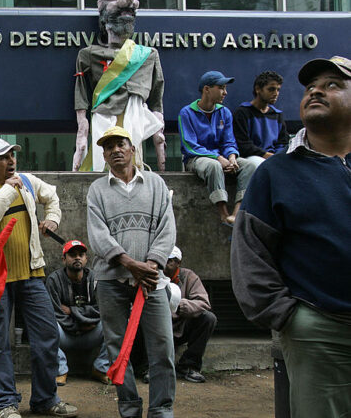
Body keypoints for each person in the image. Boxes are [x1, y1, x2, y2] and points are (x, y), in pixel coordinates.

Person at [231, 55, 351, 418]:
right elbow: (249, 253)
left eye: (333, 84)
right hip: (319, 333)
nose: (316, 90)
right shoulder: (275, 173)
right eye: (311, 87)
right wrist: (289, 318)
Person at [0, 138, 77, 418]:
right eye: (3, 158)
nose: (11, 162)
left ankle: (44, 399)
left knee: (47, 336)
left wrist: (52, 217)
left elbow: (51, 195)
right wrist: (5, 192)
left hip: (32, 273)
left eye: (12, 156)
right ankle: (6, 402)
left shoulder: (27, 181)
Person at [86, 126, 176, 418]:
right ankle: (128, 407)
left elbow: (167, 228)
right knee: (117, 347)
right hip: (111, 281)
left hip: (153, 281)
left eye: (120, 144)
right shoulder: (97, 189)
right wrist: (129, 264)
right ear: (103, 154)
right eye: (109, 146)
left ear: (133, 148)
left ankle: (161, 409)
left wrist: (151, 265)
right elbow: (98, 236)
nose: (115, 150)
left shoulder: (156, 184)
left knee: (162, 348)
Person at [73, 0, 165, 172]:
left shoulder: (148, 55)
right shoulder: (88, 54)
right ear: (101, 6)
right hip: (103, 119)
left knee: (133, 171)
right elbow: (81, 93)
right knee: (102, 168)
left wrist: (159, 138)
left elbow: (156, 99)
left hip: (136, 120)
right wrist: (82, 130)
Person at [178, 70, 255, 225]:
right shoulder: (186, 113)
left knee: (250, 166)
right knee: (213, 166)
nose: (225, 92)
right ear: (207, 89)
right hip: (196, 159)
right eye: (221, 88)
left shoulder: (224, 113)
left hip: (223, 158)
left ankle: (237, 211)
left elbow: (229, 141)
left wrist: (232, 157)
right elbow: (190, 146)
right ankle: (223, 213)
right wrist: (218, 158)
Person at [45, 240, 111, 387]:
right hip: (65, 334)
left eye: (81, 255)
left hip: (91, 333)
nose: (77, 258)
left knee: (116, 322)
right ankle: (61, 370)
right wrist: (80, 324)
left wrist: (72, 311)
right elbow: (55, 313)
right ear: (64, 259)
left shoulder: (96, 279)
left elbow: (100, 310)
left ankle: (101, 368)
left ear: (86, 259)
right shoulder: (54, 280)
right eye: (72, 255)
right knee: (44, 325)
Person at [164, 246, 216, 383]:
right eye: (162, 259)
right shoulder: (154, 275)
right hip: (158, 328)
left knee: (208, 318)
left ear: (178, 263)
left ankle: (188, 366)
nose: (164, 264)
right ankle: (149, 366)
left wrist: (180, 305)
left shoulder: (189, 277)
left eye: (169, 261)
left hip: (181, 326)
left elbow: (203, 303)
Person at [233, 71, 290, 168]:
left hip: (274, 157)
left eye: (278, 90)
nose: (276, 93)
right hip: (251, 157)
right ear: (258, 89)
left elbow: (283, 142)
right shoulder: (243, 112)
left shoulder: (277, 115)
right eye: (271, 89)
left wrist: (278, 155)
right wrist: (267, 155)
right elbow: (243, 144)